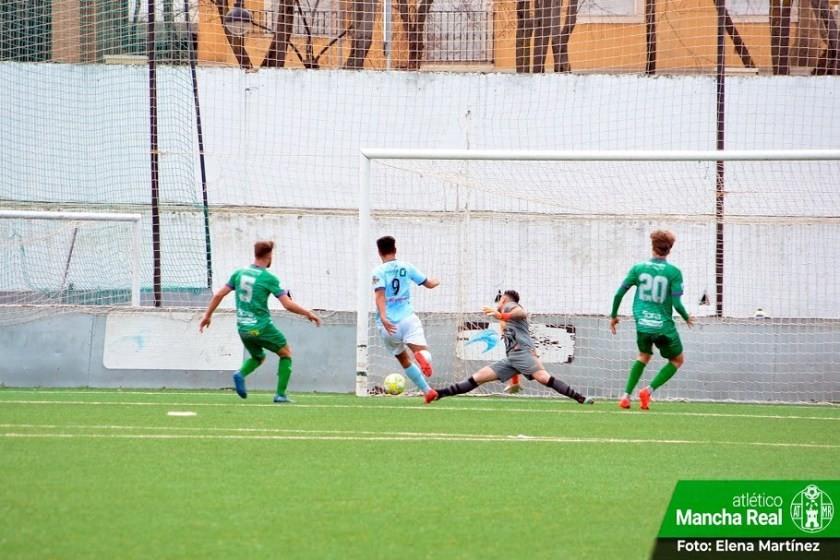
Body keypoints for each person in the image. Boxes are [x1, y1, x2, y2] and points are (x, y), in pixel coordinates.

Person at [199, 240, 321, 403]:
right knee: (285, 353)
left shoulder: (239, 274)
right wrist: (308, 313)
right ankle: (280, 395)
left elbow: (218, 295)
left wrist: (207, 316)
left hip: (243, 328)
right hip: (261, 327)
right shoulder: (268, 278)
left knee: (258, 357)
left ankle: (240, 373)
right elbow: (287, 304)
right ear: (269, 256)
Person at [428, 290, 593, 405]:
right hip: (512, 359)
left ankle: (579, 397)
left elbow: (521, 313)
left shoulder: (509, 306)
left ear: (505, 300)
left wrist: (502, 314)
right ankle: (439, 393)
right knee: (477, 377)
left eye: (500, 300)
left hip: (523, 354)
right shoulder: (504, 319)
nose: (498, 304)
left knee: (544, 378)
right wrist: (515, 380)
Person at [610, 230, 693, 411]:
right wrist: (687, 317)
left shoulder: (638, 269)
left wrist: (613, 316)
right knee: (677, 360)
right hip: (664, 327)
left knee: (643, 356)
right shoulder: (674, 273)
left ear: (652, 246)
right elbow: (677, 304)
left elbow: (619, 293)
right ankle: (648, 390)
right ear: (669, 250)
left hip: (643, 324)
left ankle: (625, 396)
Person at [372, 235, 439, 401]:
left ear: (379, 252)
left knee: (403, 359)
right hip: (407, 319)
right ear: (395, 250)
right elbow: (428, 284)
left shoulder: (378, 272)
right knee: (422, 352)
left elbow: (379, 295)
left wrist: (383, 316)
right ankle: (422, 358)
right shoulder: (407, 267)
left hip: (387, 325)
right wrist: (436, 282)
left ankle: (427, 390)